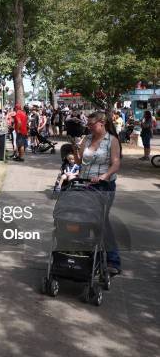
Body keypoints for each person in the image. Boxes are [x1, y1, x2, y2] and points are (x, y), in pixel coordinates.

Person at [72, 111, 122, 275]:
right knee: (83, 219)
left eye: (91, 124)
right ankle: (87, 256)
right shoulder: (86, 139)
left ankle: (113, 260)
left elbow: (115, 164)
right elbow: (80, 162)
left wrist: (104, 176)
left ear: (102, 123)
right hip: (84, 185)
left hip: (103, 186)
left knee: (101, 221)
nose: (89, 127)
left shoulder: (112, 141)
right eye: (88, 125)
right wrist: (74, 147)